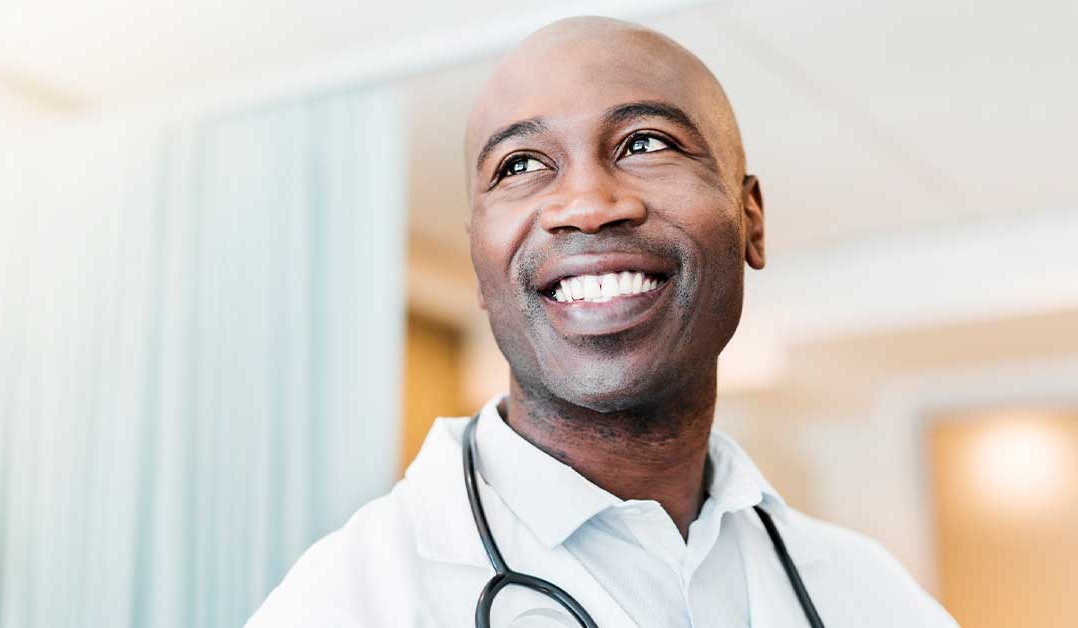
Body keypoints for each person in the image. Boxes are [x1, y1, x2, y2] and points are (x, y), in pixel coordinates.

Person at [246, 16, 959, 628]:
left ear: (751, 220)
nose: (587, 205)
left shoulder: (873, 595)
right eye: (520, 164)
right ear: (478, 264)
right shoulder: (345, 602)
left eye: (646, 143)